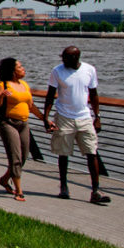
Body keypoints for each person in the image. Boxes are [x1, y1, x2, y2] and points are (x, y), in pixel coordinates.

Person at [43, 46, 111, 204]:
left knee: (92, 152)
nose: (62, 60)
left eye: (66, 57)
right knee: (63, 153)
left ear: (75, 58)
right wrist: (46, 117)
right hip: (64, 116)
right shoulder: (57, 71)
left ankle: (95, 190)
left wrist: (97, 116)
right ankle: (64, 187)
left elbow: (94, 94)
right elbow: (50, 95)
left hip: (84, 117)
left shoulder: (89, 70)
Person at [0, 57, 51, 201]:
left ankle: (4, 179)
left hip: (24, 124)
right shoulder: (3, 85)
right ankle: (19, 190)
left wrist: (45, 119)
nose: (23, 68)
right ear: (12, 71)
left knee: (24, 156)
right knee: (15, 156)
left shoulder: (24, 85)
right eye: (20, 66)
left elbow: (31, 106)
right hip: (7, 123)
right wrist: (1, 96)